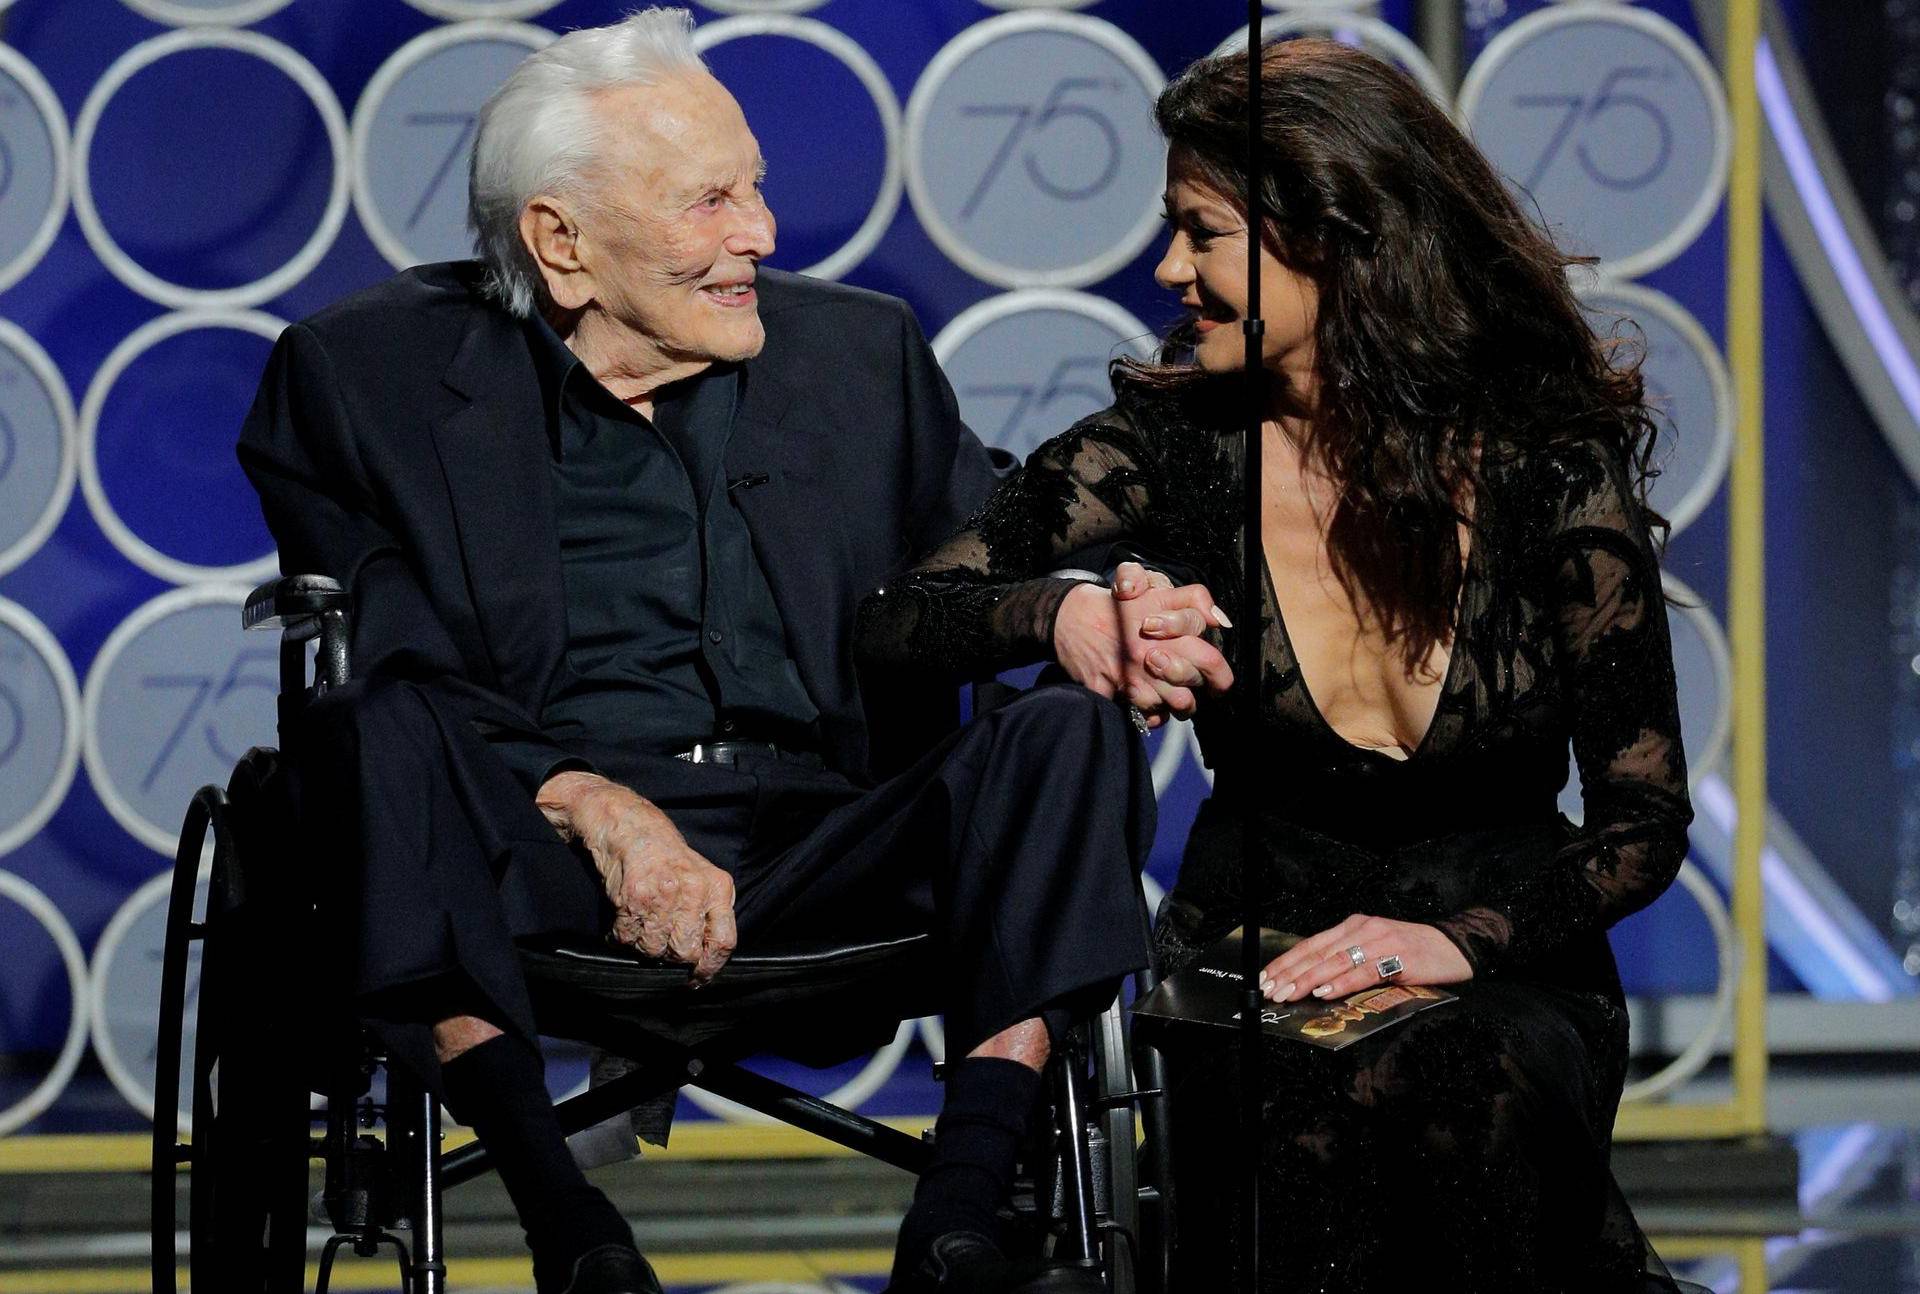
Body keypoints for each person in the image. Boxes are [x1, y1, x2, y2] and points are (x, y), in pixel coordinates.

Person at [238, 10, 1154, 1293]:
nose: (762, 237)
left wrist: (1059, 608)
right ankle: (569, 1228)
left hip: (824, 839)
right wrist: (594, 804)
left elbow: (969, 570)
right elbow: (398, 658)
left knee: (1068, 729)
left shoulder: (861, 355)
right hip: (531, 845)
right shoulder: (359, 379)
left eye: (759, 189)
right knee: (367, 733)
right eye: (711, 201)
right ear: (561, 241)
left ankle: (960, 1207)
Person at [855, 37, 1697, 1292]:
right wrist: (1067, 616)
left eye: (1202, 233)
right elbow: (900, 615)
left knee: (1473, 1070)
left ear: (1335, 236)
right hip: (1256, 951)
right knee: (1322, 1098)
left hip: (1504, 963)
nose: (1167, 269)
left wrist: (1452, 939)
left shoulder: (1544, 459)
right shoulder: (1172, 445)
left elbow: (1643, 823)